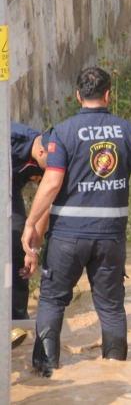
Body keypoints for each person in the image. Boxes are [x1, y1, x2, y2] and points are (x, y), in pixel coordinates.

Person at [20, 66, 131, 377]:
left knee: (52, 300)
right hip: (111, 238)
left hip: (67, 238)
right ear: (108, 95)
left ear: (78, 96)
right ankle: (115, 374)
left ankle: (46, 372)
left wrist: (30, 224)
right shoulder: (127, 131)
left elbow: (51, 184)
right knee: (110, 306)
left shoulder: (62, 132)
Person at [10, 122, 50, 348]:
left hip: (10, 190)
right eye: (50, 164)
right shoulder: (12, 137)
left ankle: (17, 317)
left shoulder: (47, 163)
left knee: (17, 243)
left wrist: (33, 245)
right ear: (41, 151)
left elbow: (46, 202)